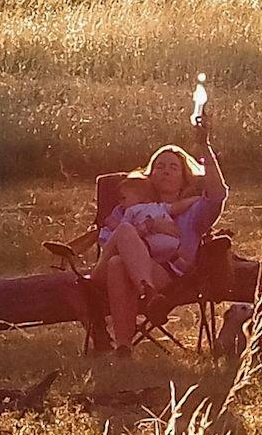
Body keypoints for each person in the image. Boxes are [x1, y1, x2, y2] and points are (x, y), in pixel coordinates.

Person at [92, 136, 224, 347]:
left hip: (163, 273)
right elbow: (108, 242)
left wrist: (204, 147)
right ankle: (149, 295)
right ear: (150, 175)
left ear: (184, 178)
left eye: (173, 167)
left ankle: (123, 349)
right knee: (122, 239)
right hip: (103, 271)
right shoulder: (128, 206)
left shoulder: (193, 211)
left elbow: (218, 195)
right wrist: (148, 228)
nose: (165, 171)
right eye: (159, 166)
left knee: (119, 265)